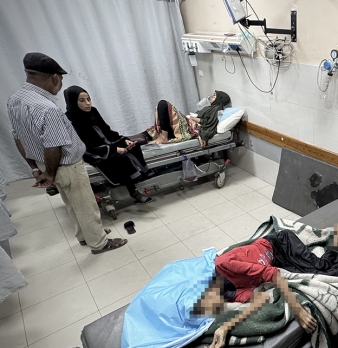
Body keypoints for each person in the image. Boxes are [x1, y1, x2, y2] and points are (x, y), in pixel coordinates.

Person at [7, 52, 127, 254]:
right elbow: (53, 146)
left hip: (45, 164)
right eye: (61, 79)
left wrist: (36, 169)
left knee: (71, 203)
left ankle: (84, 235)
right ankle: (99, 242)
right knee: (85, 204)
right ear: (55, 77)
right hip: (65, 166)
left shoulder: (15, 100)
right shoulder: (47, 108)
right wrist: (51, 173)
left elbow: (18, 137)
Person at [196, 224, 338, 348]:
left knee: (323, 269)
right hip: (278, 261)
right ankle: (337, 248)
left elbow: (272, 274)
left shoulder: (224, 264)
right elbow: (261, 300)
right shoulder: (230, 293)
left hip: (280, 243)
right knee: (321, 273)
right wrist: (226, 327)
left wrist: (298, 309)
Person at [63, 86, 152, 204]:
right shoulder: (70, 120)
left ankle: (144, 174)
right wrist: (115, 150)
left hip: (106, 143)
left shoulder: (93, 111)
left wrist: (124, 140)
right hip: (91, 150)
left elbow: (107, 130)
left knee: (134, 146)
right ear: (72, 101)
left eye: (89, 99)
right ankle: (133, 192)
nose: (88, 103)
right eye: (82, 100)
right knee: (119, 158)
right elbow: (85, 147)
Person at [147, 90, 230, 146]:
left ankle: (163, 137)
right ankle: (145, 138)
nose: (211, 97)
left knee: (163, 104)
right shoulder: (211, 108)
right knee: (160, 113)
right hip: (187, 122)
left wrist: (193, 119)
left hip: (189, 125)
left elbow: (207, 123)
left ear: (219, 99)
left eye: (214, 96)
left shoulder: (216, 109)